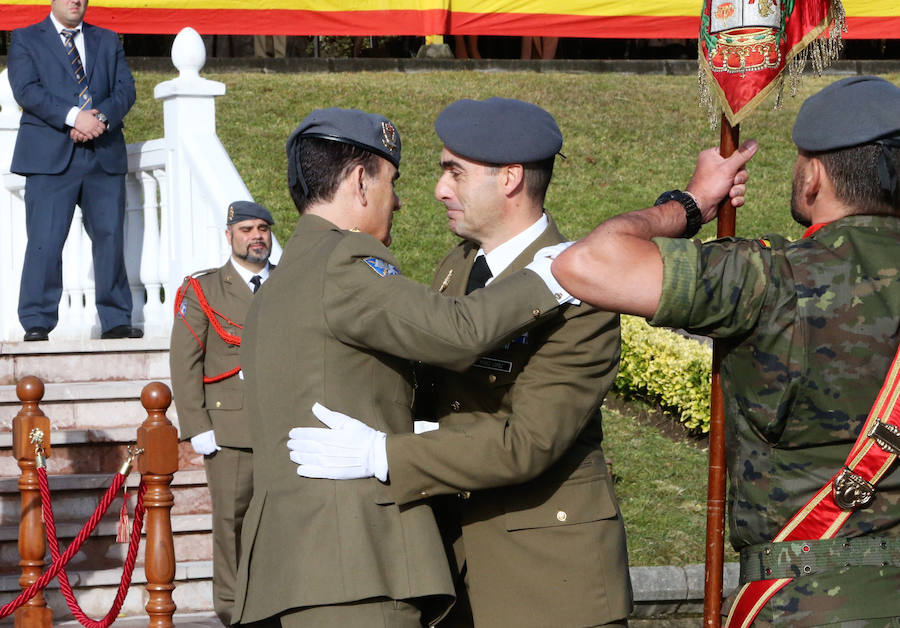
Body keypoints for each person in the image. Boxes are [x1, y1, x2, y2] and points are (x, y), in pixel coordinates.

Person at [551, 75, 900, 625]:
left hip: (804, 601)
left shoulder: (771, 277)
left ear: (813, 177)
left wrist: (690, 205)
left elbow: (584, 264)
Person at [288, 98, 632, 627]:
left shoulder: (580, 288)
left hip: (548, 580)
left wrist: (385, 454)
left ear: (511, 178)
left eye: (455, 172)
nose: (438, 189)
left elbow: (527, 443)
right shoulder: (456, 268)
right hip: (453, 567)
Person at [7, 0, 139, 341]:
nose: (75, 0)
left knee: (110, 238)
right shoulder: (25, 38)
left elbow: (125, 90)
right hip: (50, 158)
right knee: (45, 242)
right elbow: (26, 90)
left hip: (102, 153)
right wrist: (73, 116)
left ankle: (115, 319)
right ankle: (37, 319)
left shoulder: (108, 40)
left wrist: (100, 118)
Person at [170, 200, 275, 627]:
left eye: (263, 229)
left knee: (279, 520)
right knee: (231, 523)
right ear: (229, 236)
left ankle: (274, 601)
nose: (257, 236)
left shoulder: (289, 284)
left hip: (284, 426)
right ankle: (234, 610)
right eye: (247, 229)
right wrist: (197, 425)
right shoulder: (205, 289)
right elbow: (185, 361)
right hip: (231, 428)